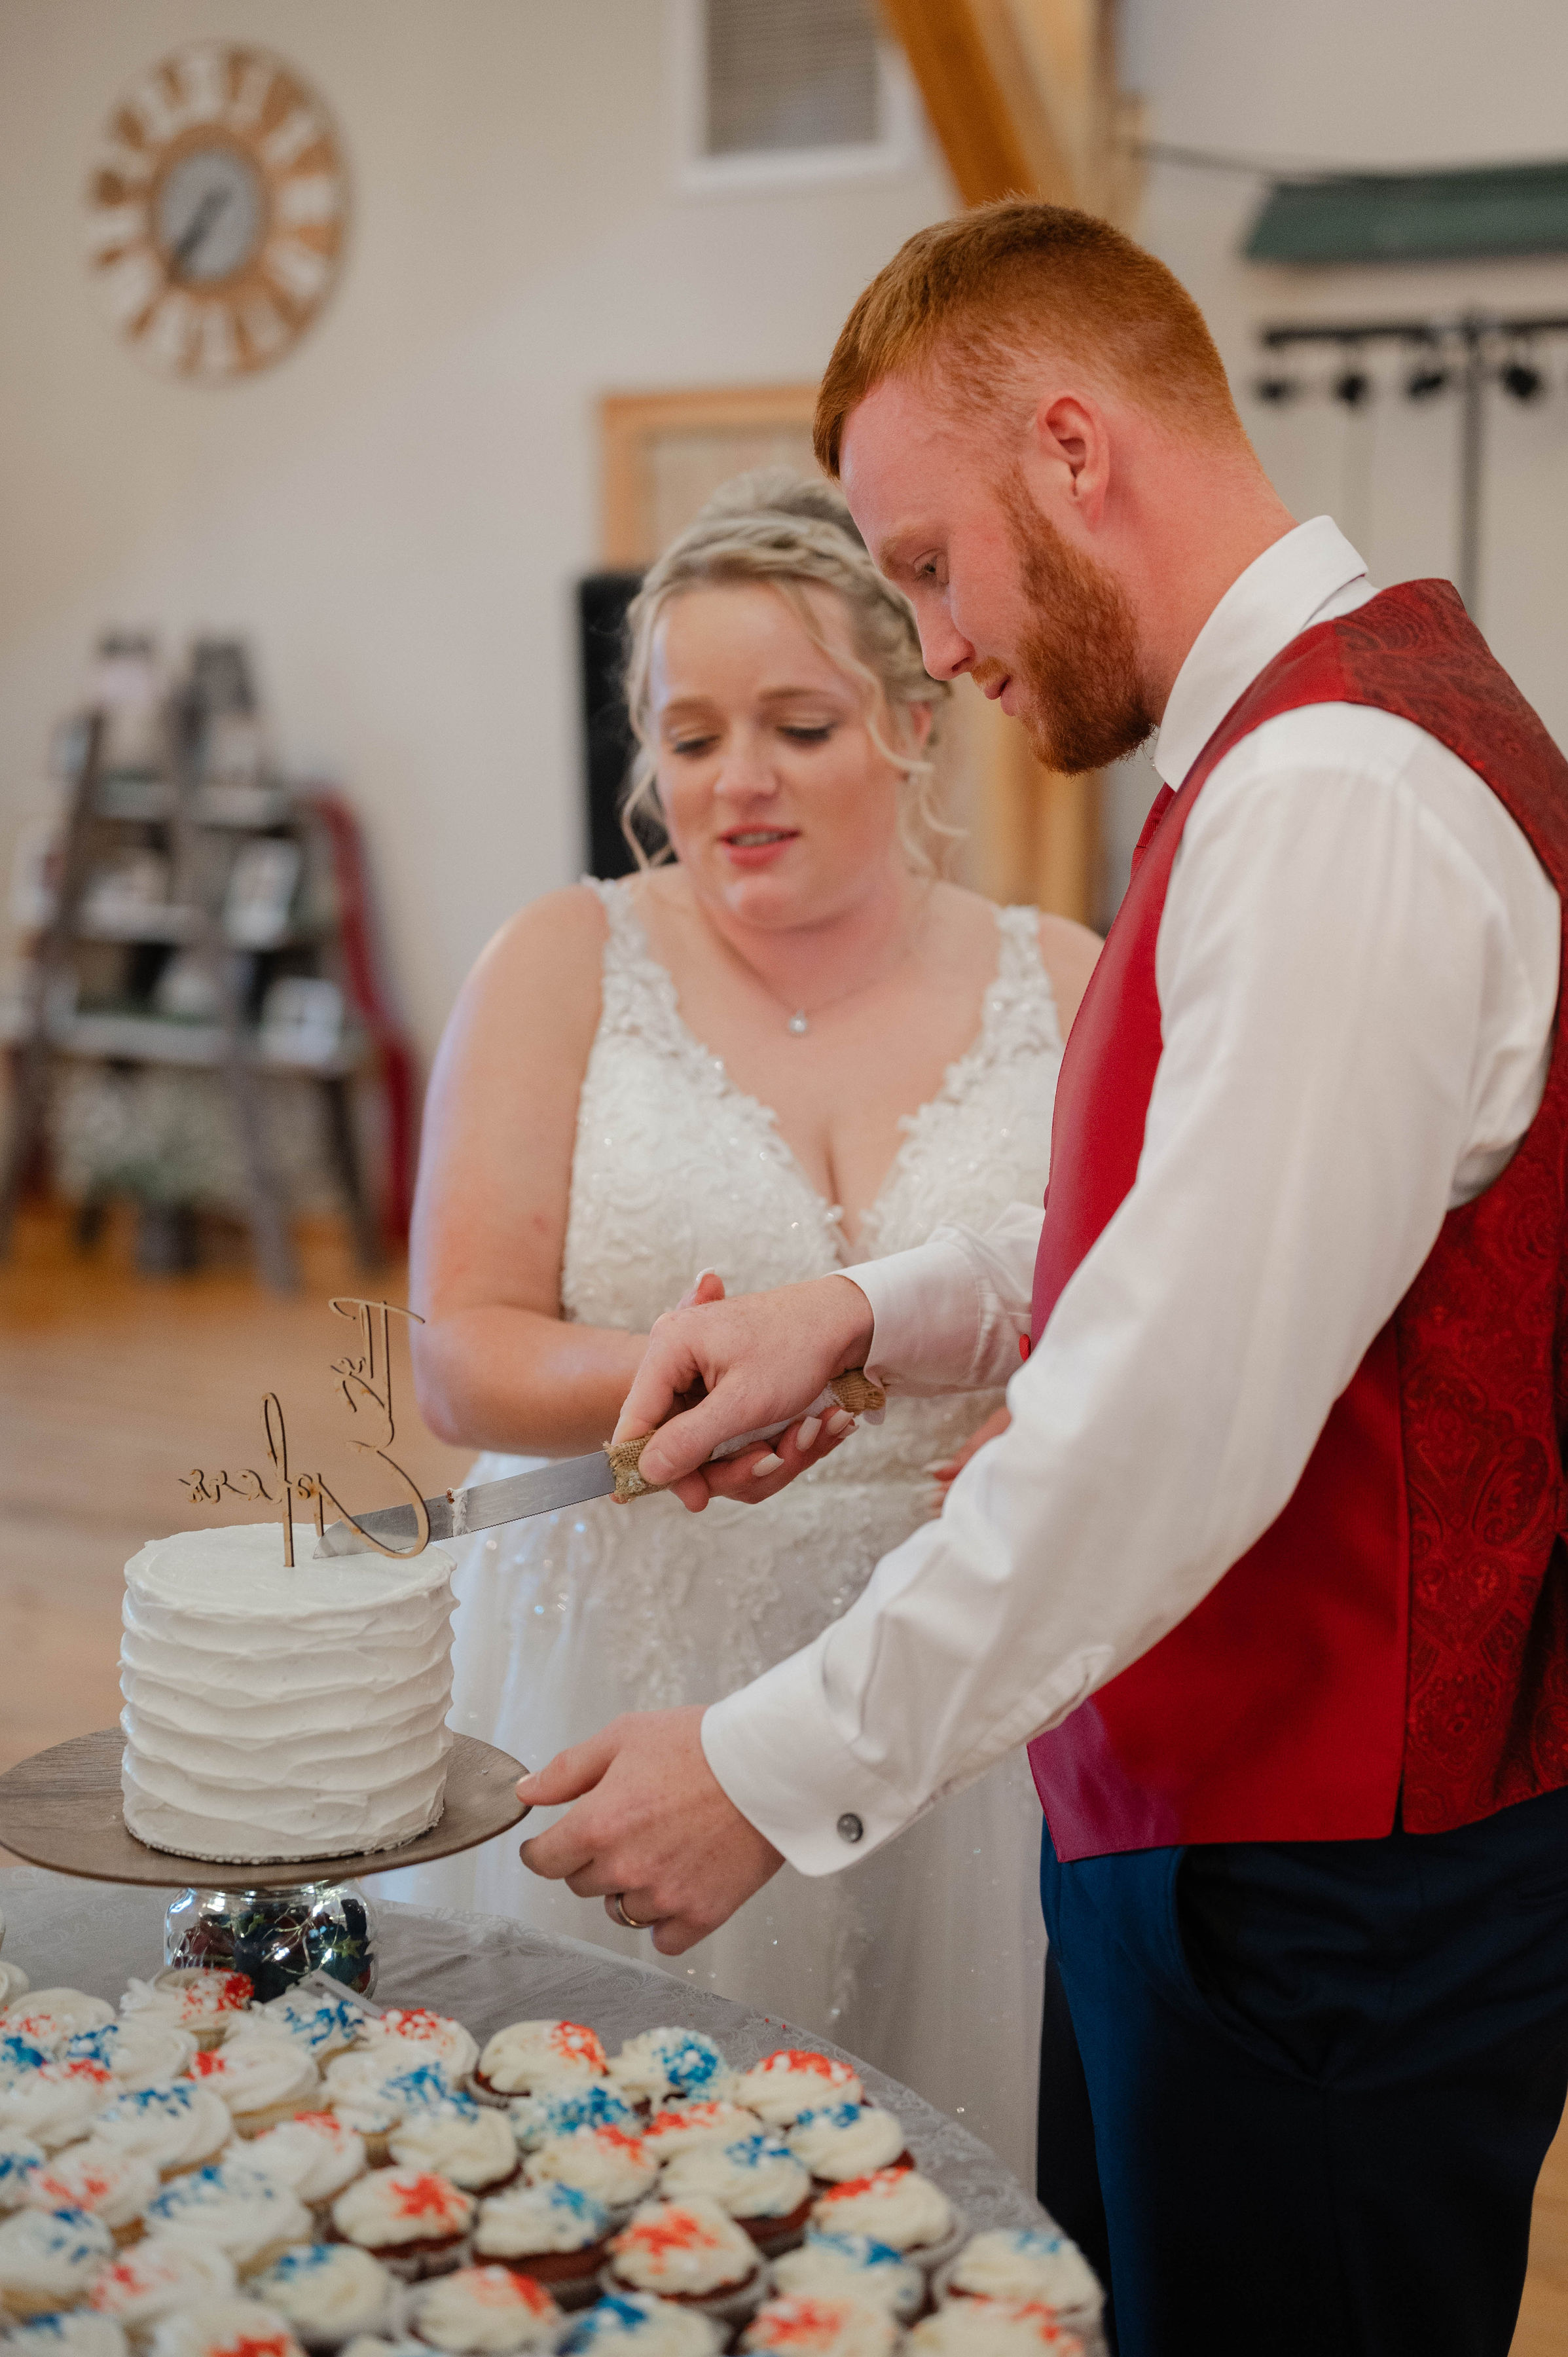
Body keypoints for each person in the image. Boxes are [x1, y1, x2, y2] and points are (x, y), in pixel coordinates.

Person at [513, 204, 1568, 2357]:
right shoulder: (1274, 754)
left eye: (922, 562)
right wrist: (868, 1312)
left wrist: (764, 1768)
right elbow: (1196, 1214)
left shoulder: (1336, 795)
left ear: (1075, 452)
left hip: (1320, 1888)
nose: (933, 646)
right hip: (1201, 1828)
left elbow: (1170, 1405)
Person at [397, 467, 1099, 2182]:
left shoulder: (1066, 981)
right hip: (619, 1648)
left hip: (946, 1684)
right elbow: (460, 1347)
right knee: (601, 2170)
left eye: (796, 724)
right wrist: (654, 1381)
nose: (738, 784)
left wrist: (1048, 1415)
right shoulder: (563, 961)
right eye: (690, 736)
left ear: (914, 722)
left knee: (923, 2183)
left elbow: (1127, 1305)